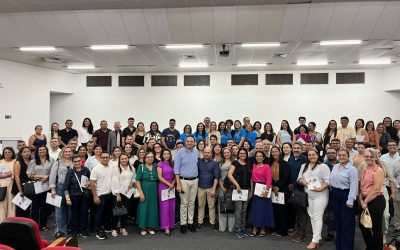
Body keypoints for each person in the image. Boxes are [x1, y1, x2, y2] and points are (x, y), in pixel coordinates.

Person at [297, 149, 330, 249]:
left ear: (317, 155)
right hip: (308, 195)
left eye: (313, 154)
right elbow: (299, 179)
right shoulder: (304, 166)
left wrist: (320, 188)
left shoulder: (323, 166)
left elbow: (328, 181)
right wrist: (302, 182)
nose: (311, 156)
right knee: (312, 216)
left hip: (321, 195)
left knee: (317, 216)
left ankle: (314, 240)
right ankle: (318, 237)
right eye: (309, 155)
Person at [330, 149, 358, 250]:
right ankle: (339, 247)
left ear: (348, 156)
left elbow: (354, 186)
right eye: (340, 155)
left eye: (344, 155)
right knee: (338, 223)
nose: (341, 157)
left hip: (346, 197)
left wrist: (350, 200)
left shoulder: (352, 169)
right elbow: (332, 181)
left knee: (347, 224)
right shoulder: (335, 167)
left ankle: (347, 247)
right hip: (335, 196)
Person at [359, 148, 386, 250]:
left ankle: (377, 248)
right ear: (364, 157)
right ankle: (371, 247)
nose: (369, 158)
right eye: (367, 156)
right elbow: (362, 186)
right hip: (365, 200)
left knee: (376, 227)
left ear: (375, 157)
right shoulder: (365, 169)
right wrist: (361, 199)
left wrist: (365, 202)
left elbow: (376, 189)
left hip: (376, 201)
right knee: (362, 225)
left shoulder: (378, 170)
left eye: (371, 156)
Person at [174, 136, 199, 234]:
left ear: (194, 143)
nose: (189, 143)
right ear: (185, 142)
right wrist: (178, 184)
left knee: (192, 202)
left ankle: (190, 222)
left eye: (191, 141)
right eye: (187, 141)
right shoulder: (180, 153)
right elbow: (176, 170)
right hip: (183, 180)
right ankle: (183, 224)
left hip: (195, 180)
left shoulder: (196, 152)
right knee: (184, 203)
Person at [49, 146, 74, 238]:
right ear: (62, 152)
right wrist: (53, 189)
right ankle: (61, 230)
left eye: (69, 151)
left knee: (69, 209)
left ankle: (66, 227)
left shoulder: (73, 162)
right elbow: (52, 176)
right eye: (66, 151)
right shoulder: (58, 163)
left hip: (71, 188)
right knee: (59, 209)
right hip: (60, 187)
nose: (68, 153)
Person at [64, 155, 91, 238]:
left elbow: (91, 180)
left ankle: (83, 230)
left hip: (84, 195)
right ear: (72, 162)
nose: (77, 163)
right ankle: (75, 230)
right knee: (74, 214)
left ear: (81, 161)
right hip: (73, 195)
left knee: (84, 213)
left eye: (79, 161)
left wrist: (89, 183)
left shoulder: (86, 170)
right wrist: (67, 198)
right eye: (75, 161)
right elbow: (66, 186)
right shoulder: (70, 171)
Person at [27, 145, 52, 231]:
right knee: (35, 207)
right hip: (36, 187)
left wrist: (47, 177)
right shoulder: (33, 161)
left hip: (47, 187)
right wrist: (42, 176)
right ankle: (34, 225)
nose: (42, 151)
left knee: (45, 207)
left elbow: (53, 173)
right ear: (37, 152)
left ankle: (43, 225)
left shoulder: (51, 160)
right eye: (40, 150)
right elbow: (29, 174)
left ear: (46, 150)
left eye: (44, 149)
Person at [228, 148, 252, 238]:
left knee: (244, 210)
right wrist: (237, 185)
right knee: (238, 210)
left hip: (247, 190)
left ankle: (243, 227)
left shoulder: (248, 164)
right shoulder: (235, 163)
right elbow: (229, 175)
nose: (243, 155)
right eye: (241, 153)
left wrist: (251, 190)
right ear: (238, 154)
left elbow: (251, 179)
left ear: (246, 154)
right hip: (238, 190)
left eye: (244, 153)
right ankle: (238, 229)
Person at [250, 150, 274, 237]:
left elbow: (269, 179)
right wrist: (252, 191)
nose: (258, 157)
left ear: (263, 157)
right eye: (257, 156)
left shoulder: (267, 166)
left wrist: (267, 191)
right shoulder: (254, 166)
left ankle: (263, 228)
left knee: (264, 209)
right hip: (256, 189)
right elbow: (252, 179)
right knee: (256, 210)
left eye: (260, 156)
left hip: (264, 188)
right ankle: (255, 227)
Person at [111, 153, 136, 237]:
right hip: (119, 193)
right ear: (119, 160)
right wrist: (117, 194)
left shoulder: (132, 168)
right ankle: (114, 228)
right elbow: (115, 181)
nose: (124, 160)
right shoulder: (116, 168)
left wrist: (132, 182)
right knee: (118, 211)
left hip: (128, 193)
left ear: (128, 159)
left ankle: (123, 227)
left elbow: (134, 178)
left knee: (125, 211)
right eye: (122, 159)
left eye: (125, 158)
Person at [90, 151, 113, 240]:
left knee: (108, 213)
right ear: (100, 158)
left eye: (107, 157)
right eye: (103, 157)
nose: (105, 159)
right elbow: (92, 183)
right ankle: (98, 231)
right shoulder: (96, 169)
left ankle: (107, 227)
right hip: (100, 195)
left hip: (109, 194)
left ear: (109, 158)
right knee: (98, 214)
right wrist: (95, 196)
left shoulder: (111, 167)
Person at [196, 147, 220, 230]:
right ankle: (200, 222)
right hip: (200, 187)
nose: (206, 154)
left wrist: (214, 189)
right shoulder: (199, 162)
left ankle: (212, 223)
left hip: (210, 188)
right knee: (200, 205)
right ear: (203, 153)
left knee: (211, 206)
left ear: (211, 154)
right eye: (205, 152)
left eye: (208, 152)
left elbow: (216, 177)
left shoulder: (214, 163)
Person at [136, 152, 159, 235]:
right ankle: (143, 227)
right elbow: (137, 180)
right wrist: (141, 193)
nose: (150, 158)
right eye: (148, 157)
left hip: (154, 189)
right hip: (144, 188)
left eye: (151, 157)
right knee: (144, 208)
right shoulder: (141, 166)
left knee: (153, 208)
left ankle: (150, 227)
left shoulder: (156, 166)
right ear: (145, 158)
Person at [270, 146, 290, 237]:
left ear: (279, 152)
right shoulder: (269, 163)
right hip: (272, 189)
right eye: (272, 152)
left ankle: (282, 231)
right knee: (274, 210)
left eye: (276, 151)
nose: (274, 153)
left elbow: (286, 177)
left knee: (282, 211)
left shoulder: (285, 164)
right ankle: (274, 229)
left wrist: (278, 186)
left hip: (282, 189)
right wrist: (273, 186)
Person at [157, 149, 175, 235]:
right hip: (163, 186)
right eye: (165, 154)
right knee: (165, 207)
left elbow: (176, 175)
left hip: (171, 186)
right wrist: (169, 184)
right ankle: (166, 227)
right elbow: (159, 177)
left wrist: (173, 183)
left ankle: (171, 225)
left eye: (168, 154)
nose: (167, 155)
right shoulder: (160, 164)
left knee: (171, 206)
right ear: (162, 155)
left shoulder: (172, 164)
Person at [218, 147, 235, 232]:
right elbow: (218, 176)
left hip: (232, 187)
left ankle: (231, 227)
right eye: (224, 153)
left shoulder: (234, 162)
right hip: (222, 187)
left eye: (228, 152)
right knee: (222, 205)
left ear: (230, 153)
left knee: (231, 206)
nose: (226, 154)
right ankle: (222, 227)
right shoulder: (220, 163)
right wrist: (222, 186)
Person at [11, 146, 31, 217]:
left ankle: (27, 224)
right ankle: (20, 225)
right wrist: (20, 190)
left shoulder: (32, 161)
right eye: (24, 152)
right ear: (21, 154)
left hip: (29, 187)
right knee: (21, 208)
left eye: (28, 151)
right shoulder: (18, 162)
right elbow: (16, 177)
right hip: (20, 187)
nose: (27, 153)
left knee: (28, 207)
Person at [0, 147, 16, 222]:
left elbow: (14, 173)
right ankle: (1, 221)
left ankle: (10, 221)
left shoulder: (15, 161)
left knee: (11, 202)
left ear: (12, 153)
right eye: (5, 152)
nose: (7, 153)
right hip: (1, 184)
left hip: (11, 184)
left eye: (9, 152)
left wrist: (5, 175)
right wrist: (6, 175)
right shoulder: (0, 162)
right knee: (2, 203)